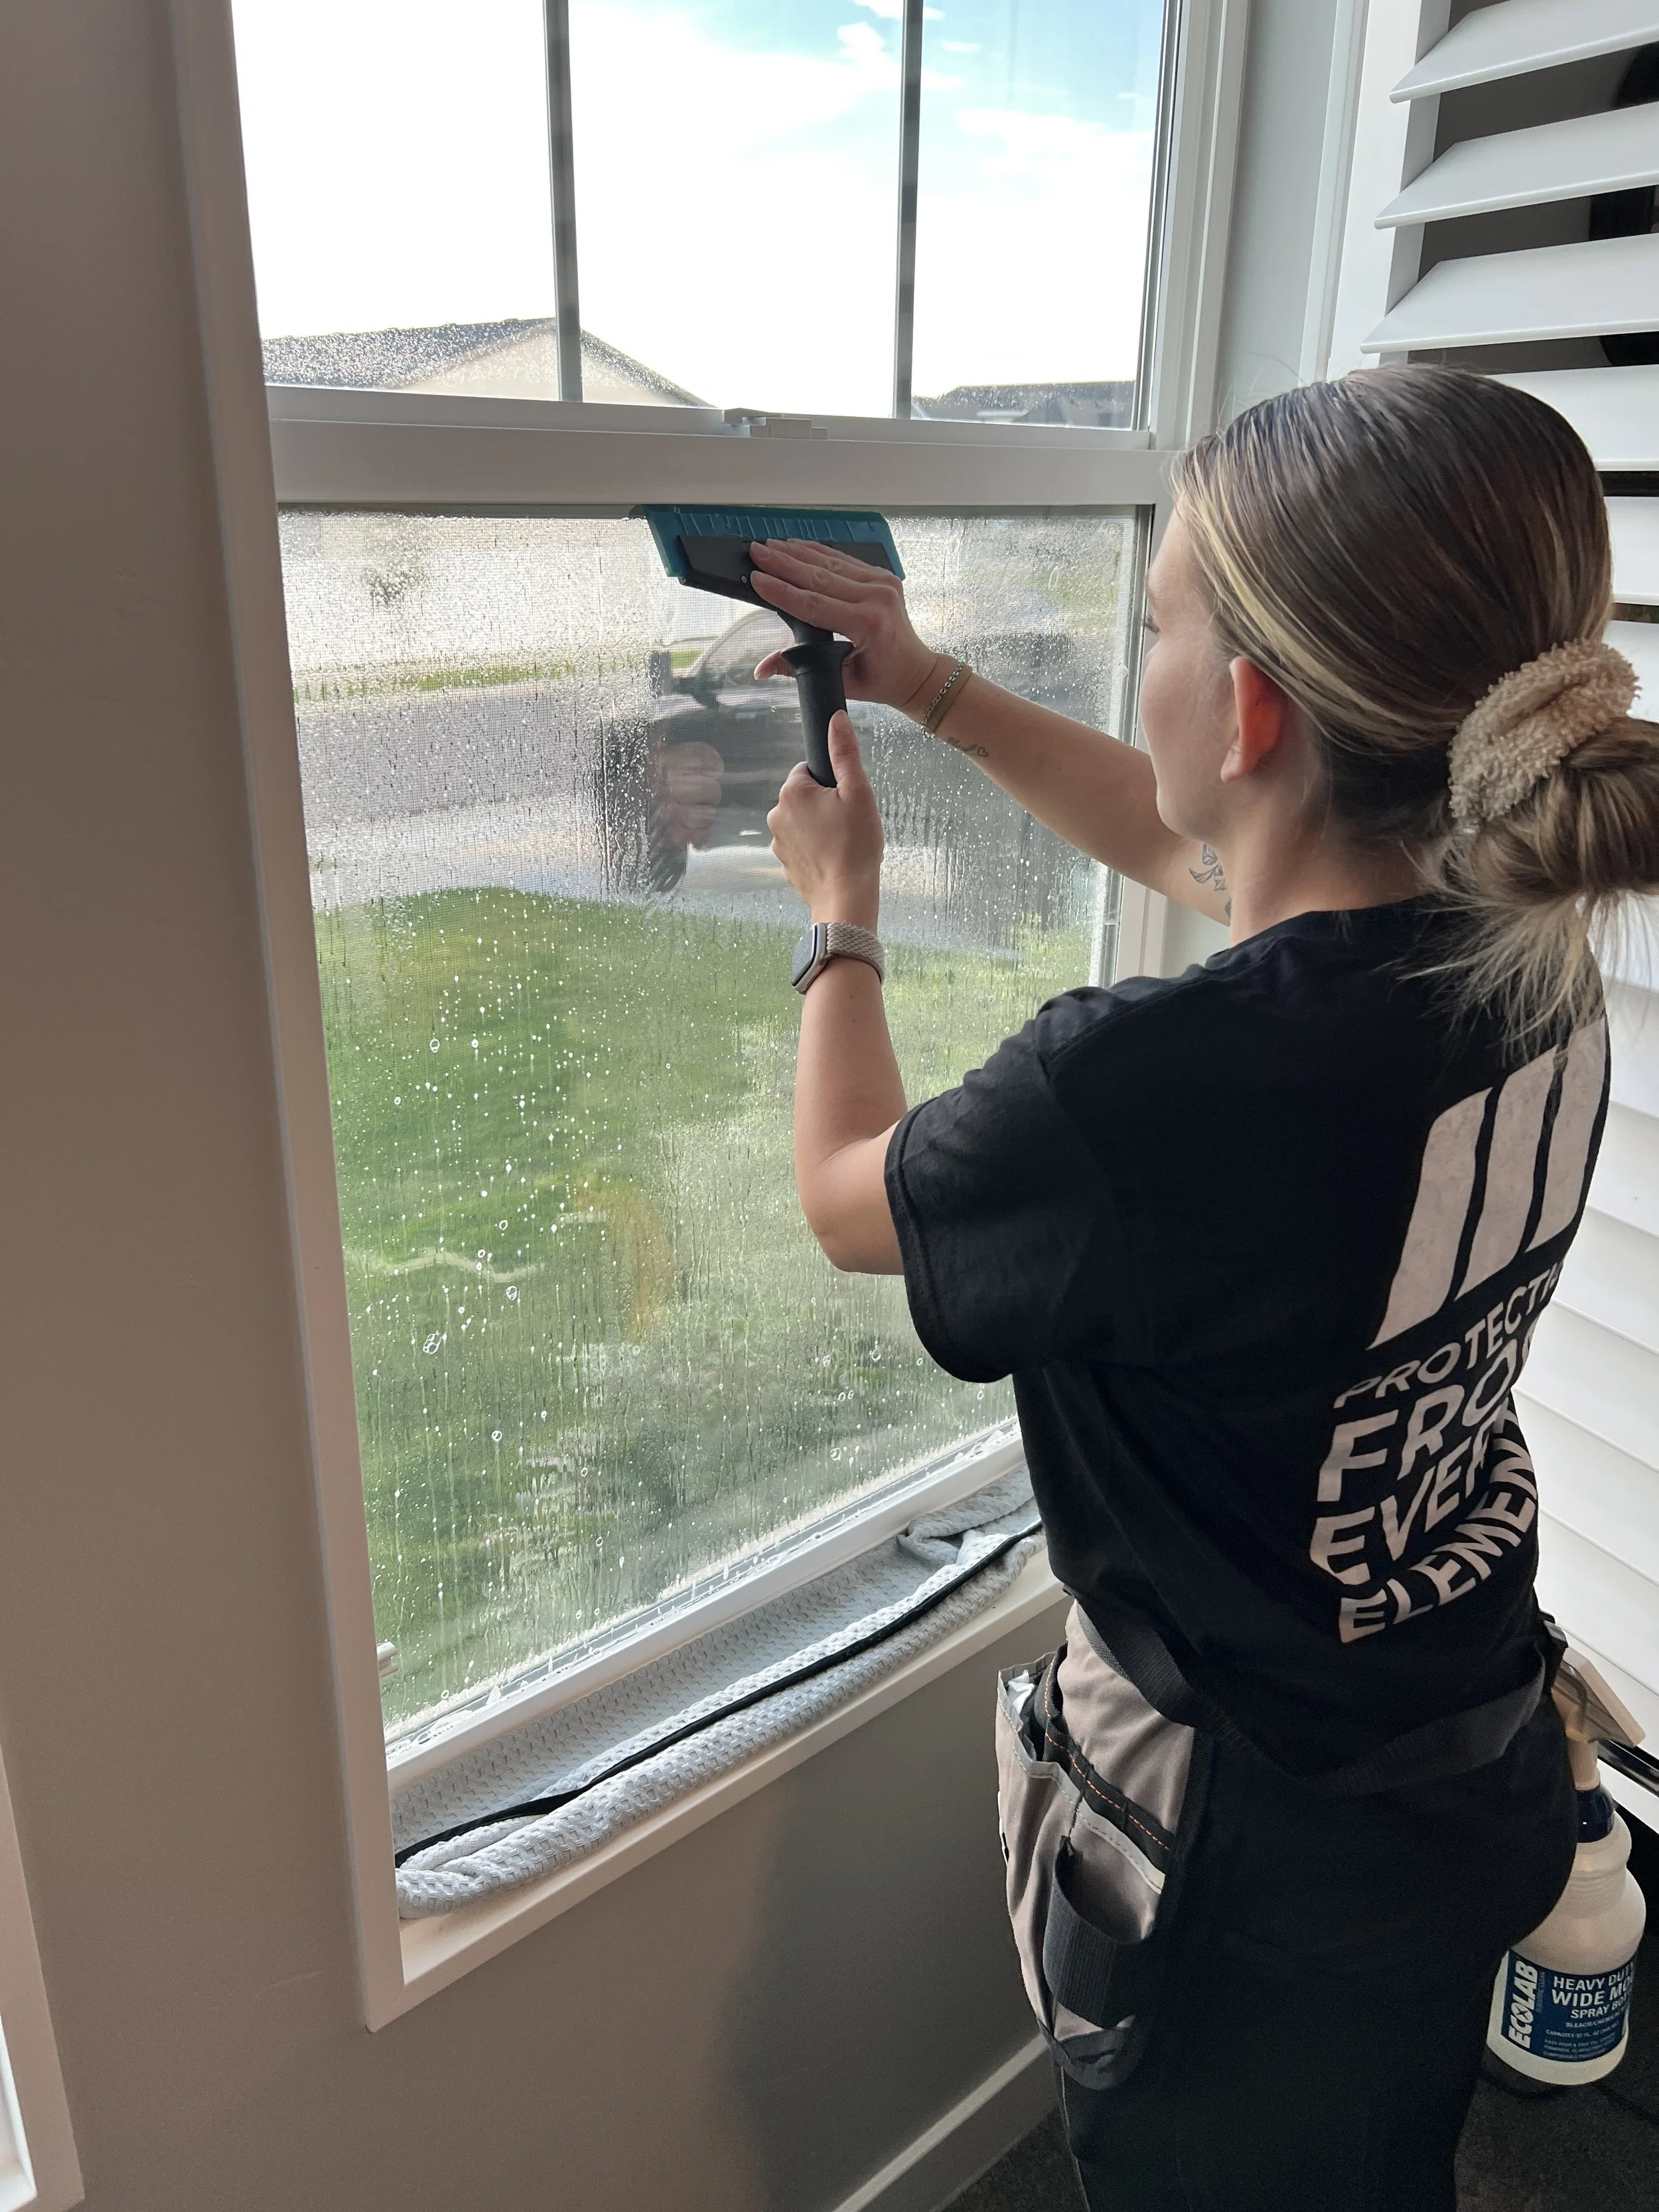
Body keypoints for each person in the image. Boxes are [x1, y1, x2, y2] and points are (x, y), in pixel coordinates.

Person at [750, 365, 1659, 2210]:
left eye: (1155, 625)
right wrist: (927, 684)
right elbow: (1196, 842)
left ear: (1246, 707)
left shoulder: (1138, 1094)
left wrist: (839, 919)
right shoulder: (1525, 941)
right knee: (1380, 2153)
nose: (1141, 662)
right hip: (1462, 1735)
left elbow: (849, 1201)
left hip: (1254, 1853)